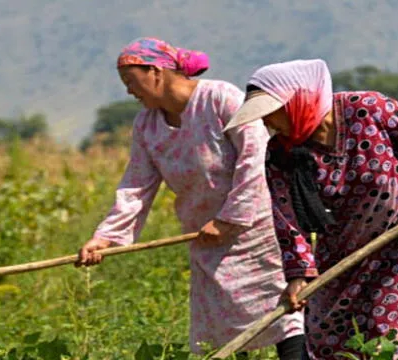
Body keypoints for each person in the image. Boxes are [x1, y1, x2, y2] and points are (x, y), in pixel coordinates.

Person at [74, 37, 305, 359]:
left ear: (154, 71)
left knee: (286, 314)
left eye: (130, 80)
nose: (128, 90)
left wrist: (230, 220)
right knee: (221, 334)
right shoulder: (147, 125)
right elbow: (137, 185)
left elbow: (255, 158)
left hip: (259, 233)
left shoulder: (220, 99)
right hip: (207, 240)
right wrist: (107, 237)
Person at [223, 59, 398, 359]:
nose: (268, 123)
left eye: (271, 113)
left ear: (298, 100)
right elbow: (288, 220)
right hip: (340, 259)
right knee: (329, 339)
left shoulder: (367, 108)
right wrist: (298, 276)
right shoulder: (282, 153)